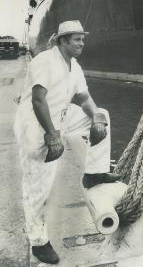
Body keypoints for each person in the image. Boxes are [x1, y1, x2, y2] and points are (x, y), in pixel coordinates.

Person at [14, 20, 118, 265]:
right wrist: (52, 135)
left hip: (60, 115)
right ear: (62, 41)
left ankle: (94, 173)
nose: (82, 43)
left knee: (101, 114)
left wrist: (96, 119)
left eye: (83, 38)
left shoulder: (75, 66)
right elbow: (38, 100)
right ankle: (39, 242)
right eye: (77, 39)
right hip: (36, 123)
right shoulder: (44, 61)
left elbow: (84, 98)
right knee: (38, 188)